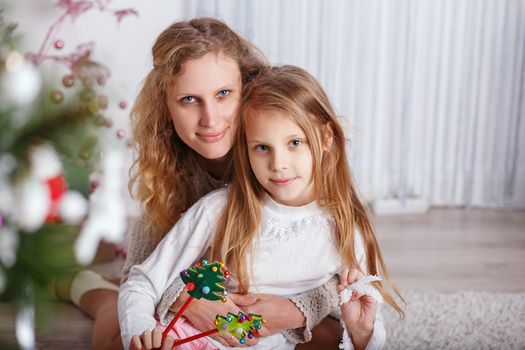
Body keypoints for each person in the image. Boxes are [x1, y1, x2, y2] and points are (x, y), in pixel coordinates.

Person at [58, 18, 345, 349]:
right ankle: (92, 290)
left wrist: (297, 310)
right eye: (189, 100)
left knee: (331, 339)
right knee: (119, 340)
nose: (210, 119)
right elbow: (139, 279)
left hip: (262, 306)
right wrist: (184, 299)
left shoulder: (286, 153)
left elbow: (351, 266)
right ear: (166, 106)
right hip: (193, 287)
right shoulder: (170, 174)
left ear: (247, 88)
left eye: (224, 94)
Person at [119, 65, 404, 350]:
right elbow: (143, 281)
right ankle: (89, 289)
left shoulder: (345, 228)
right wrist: (142, 332)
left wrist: (362, 332)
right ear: (246, 148)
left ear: (327, 137)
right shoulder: (217, 211)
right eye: (262, 148)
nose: (278, 164)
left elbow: (365, 323)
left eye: (294, 143)